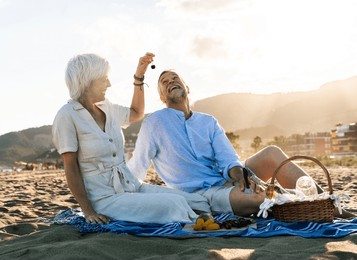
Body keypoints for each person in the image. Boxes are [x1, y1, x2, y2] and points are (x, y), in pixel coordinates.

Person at [128, 69, 355, 219]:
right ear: (161, 97)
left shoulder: (208, 121)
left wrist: (241, 177)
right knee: (260, 198)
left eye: (175, 78)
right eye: (164, 82)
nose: (171, 82)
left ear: (187, 87)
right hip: (202, 193)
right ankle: (294, 204)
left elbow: (228, 160)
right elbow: (136, 168)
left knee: (272, 153)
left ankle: (329, 206)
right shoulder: (154, 123)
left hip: (227, 177)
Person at [52, 55, 205, 225]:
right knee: (174, 206)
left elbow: (136, 113)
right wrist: (88, 211)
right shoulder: (67, 116)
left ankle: (202, 220)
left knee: (197, 201)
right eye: (104, 79)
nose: (108, 84)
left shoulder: (107, 107)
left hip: (132, 185)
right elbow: (71, 168)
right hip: (105, 198)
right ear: (88, 81)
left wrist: (139, 76)